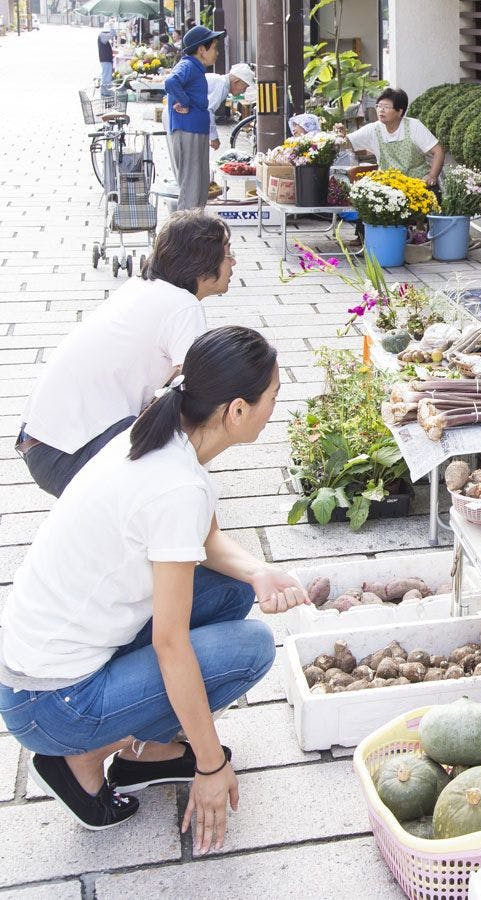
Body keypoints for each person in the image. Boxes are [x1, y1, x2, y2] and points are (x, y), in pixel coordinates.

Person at [0, 326, 308, 845]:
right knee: (251, 649)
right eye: (272, 398)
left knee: (234, 591)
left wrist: (259, 572)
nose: (273, 410)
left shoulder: (157, 433)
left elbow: (202, 542)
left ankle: (147, 752)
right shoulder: (178, 486)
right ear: (236, 410)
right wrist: (210, 768)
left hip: (39, 668)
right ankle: (80, 758)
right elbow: (170, 644)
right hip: (49, 705)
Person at [16, 211, 235, 497]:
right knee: (201, 412)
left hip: (43, 444)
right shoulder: (183, 306)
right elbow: (196, 390)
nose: (233, 262)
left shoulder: (143, 287)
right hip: (67, 458)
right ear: (201, 263)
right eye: (227, 253)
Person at [165, 25, 226, 210]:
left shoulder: (196, 68)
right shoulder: (187, 65)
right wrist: (185, 102)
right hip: (187, 131)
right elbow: (170, 82)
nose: (217, 52)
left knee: (200, 185)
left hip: (196, 131)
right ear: (201, 50)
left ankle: (194, 230)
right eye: (214, 47)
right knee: (192, 186)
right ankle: (184, 233)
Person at [333, 88, 444, 189]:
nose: (381, 110)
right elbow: (348, 143)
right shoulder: (373, 129)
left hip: (418, 185)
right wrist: (341, 135)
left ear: (400, 111)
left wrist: (431, 177)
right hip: (388, 188)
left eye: (386, 107)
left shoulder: (413, 126)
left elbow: (438, 151)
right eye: (379, 106)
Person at [204, 63, 255, 151]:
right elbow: (208, 111)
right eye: (245, 87)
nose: (244, 91)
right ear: (236, 82)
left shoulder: (220, 82)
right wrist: (213, 137)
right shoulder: (221, 86)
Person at [288, 113, 356, 167]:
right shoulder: (296, 143)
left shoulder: (321, 139)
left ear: (305, 124)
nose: (293, 129)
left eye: (295, 125)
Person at [97, 25, 115, 97]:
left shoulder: (102, 36)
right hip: (105, 59)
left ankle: (106, 91)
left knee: (107, 75)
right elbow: (112, 34)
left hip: (106, 59)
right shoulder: (102, 35)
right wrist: (113, 28)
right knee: (106, 76)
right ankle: (105, 92)